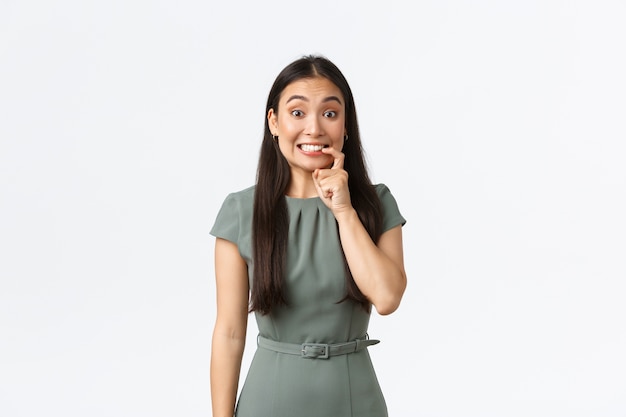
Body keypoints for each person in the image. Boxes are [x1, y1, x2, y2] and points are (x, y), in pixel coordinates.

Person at [209, 54, 407, 417]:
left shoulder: (375, 203)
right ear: (274, 122)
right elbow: (229, 333)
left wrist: (344, 211)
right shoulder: (241, 211)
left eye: (330, 114)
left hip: (353, 400)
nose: (314, 129)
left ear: (345, 125)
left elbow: (387, 297)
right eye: (297, 113)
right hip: (269, 399)